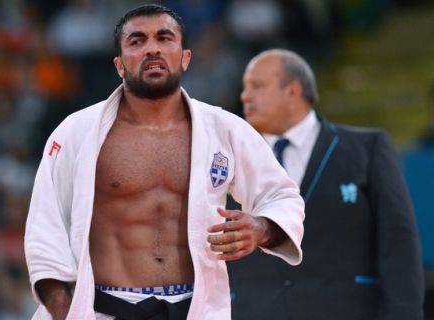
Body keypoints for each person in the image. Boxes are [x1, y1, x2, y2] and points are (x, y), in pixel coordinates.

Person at [24, 6, 305, 320]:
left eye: (164, 38)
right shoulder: (76, 132)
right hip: (102, 309)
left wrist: (260, 228)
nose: (152, 49)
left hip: (195, 309)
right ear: (119, 65)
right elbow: (45, 232)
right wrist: (66, 314)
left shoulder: (225, 130)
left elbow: (282, 196)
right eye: (137, 41)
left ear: (185, 57)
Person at [228, 49, 425, 320]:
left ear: (293, 92)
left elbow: (398, 244)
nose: (244, 96)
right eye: (244, 87)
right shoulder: (229, 161)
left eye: (257, 86)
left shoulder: (366, 149)